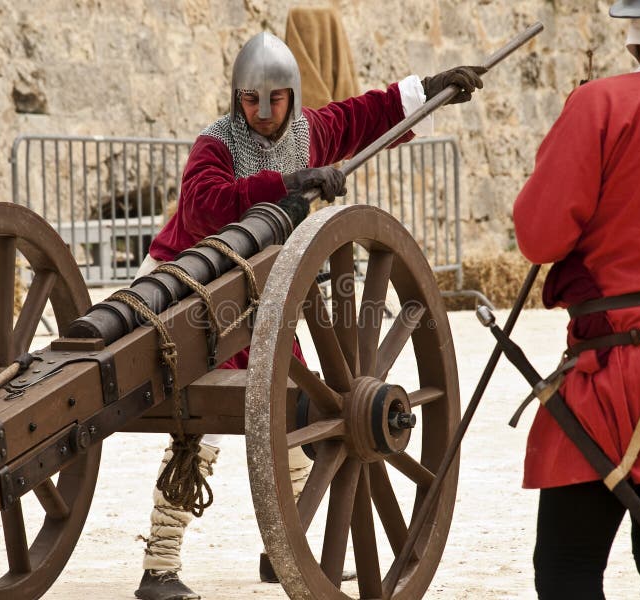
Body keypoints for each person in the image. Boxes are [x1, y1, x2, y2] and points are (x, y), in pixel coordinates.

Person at [134, 30, 484, 600]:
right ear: (236, 96)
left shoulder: (310, 132)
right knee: (198, 427)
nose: (264, 113)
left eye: (275, 101)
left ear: (292, 97)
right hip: (192, 290)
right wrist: (289, 183)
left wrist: (430, 89)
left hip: (262, 295)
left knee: (305, 412)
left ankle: (284, 550)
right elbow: (206, 205)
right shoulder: (215, 145)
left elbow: (364, 116)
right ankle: (159, 565)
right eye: (252, 101)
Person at [512, 2, 640, 598]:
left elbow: (539, 236)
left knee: (567, 570)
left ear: (635, 38)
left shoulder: (601, 105)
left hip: (615, 379)